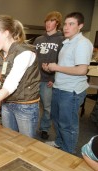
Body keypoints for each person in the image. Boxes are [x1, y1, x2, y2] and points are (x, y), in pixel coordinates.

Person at [43, 12, 93, 154]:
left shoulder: (82, 43)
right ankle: (59, 143)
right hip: (60, 87)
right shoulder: (67, 42)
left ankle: (68, 153)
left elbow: (82, 70)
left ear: (80, 26)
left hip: (71, 91)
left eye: (71, 24)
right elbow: (67, 65)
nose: (66, 27)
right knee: (57, 120)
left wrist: (56, 67)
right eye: (65, 24)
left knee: (68, 125)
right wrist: (51, 68)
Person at [33, 11, 64, 140]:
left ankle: (44, 128)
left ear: (57, 23)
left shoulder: (62, 40)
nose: (48, 24)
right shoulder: (38, 39)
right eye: (47, 21)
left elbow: (63, 61)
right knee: (32, 106)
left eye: (51, 21)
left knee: (47, 108)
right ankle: (30, 127)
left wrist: (54, 77)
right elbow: (32, 59)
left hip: (48, 81)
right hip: (34, 79)